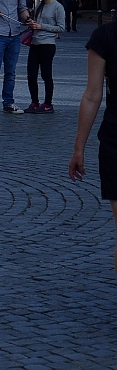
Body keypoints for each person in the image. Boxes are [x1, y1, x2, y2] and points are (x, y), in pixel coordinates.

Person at [69, 16, 117, 276]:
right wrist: (79, 148)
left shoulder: (105, 36)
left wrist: (79, 149)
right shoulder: (105, 36)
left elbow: (92, 96)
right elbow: (92, 95)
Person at [26, 0, 66, 114]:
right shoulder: (39, 5)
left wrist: (41, 26)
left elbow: (61, 28)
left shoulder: (58, 7)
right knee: (31, 74)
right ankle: (34, 102)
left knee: (46, 74)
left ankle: (48, 103)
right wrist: (31, 23)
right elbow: (35, 22)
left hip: (48, 44)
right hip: (35, 43)